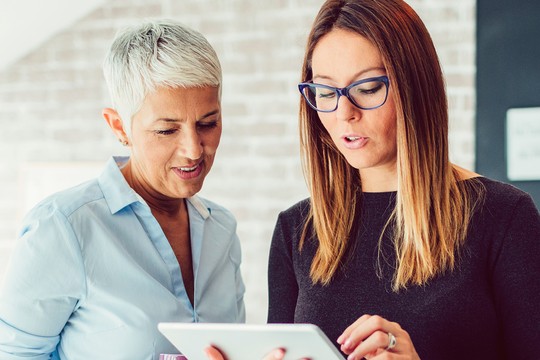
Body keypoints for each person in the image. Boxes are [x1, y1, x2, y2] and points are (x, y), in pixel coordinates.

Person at [207, 0, 540, 359]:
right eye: (326, 92)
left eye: (367, 88)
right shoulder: (297, 231)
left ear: (415, 87)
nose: (344, 114)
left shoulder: (505, 217)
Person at [0, 19, 245, 359]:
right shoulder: (62, 228)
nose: (193, 149)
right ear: (119, 127)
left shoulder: (222, 229)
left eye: (208, 123)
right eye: (166, 131)